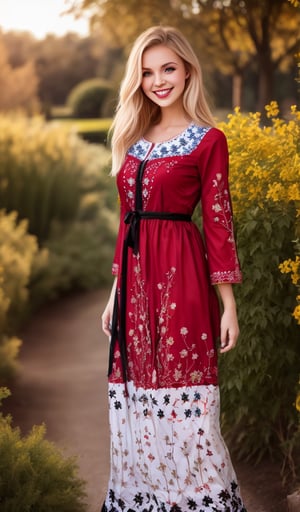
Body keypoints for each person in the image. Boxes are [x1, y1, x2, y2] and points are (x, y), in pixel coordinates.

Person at [101, 25, 246, 512]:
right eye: (146, 72)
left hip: (182, 279)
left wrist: (228, 305)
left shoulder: (208, 140)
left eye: (167, 69)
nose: (158, 81)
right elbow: (128, 220)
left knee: (190, 406)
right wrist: (114, 294)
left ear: (187, 70)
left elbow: (220, 222)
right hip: (135, 291)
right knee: (139, 401)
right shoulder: (134, 138)